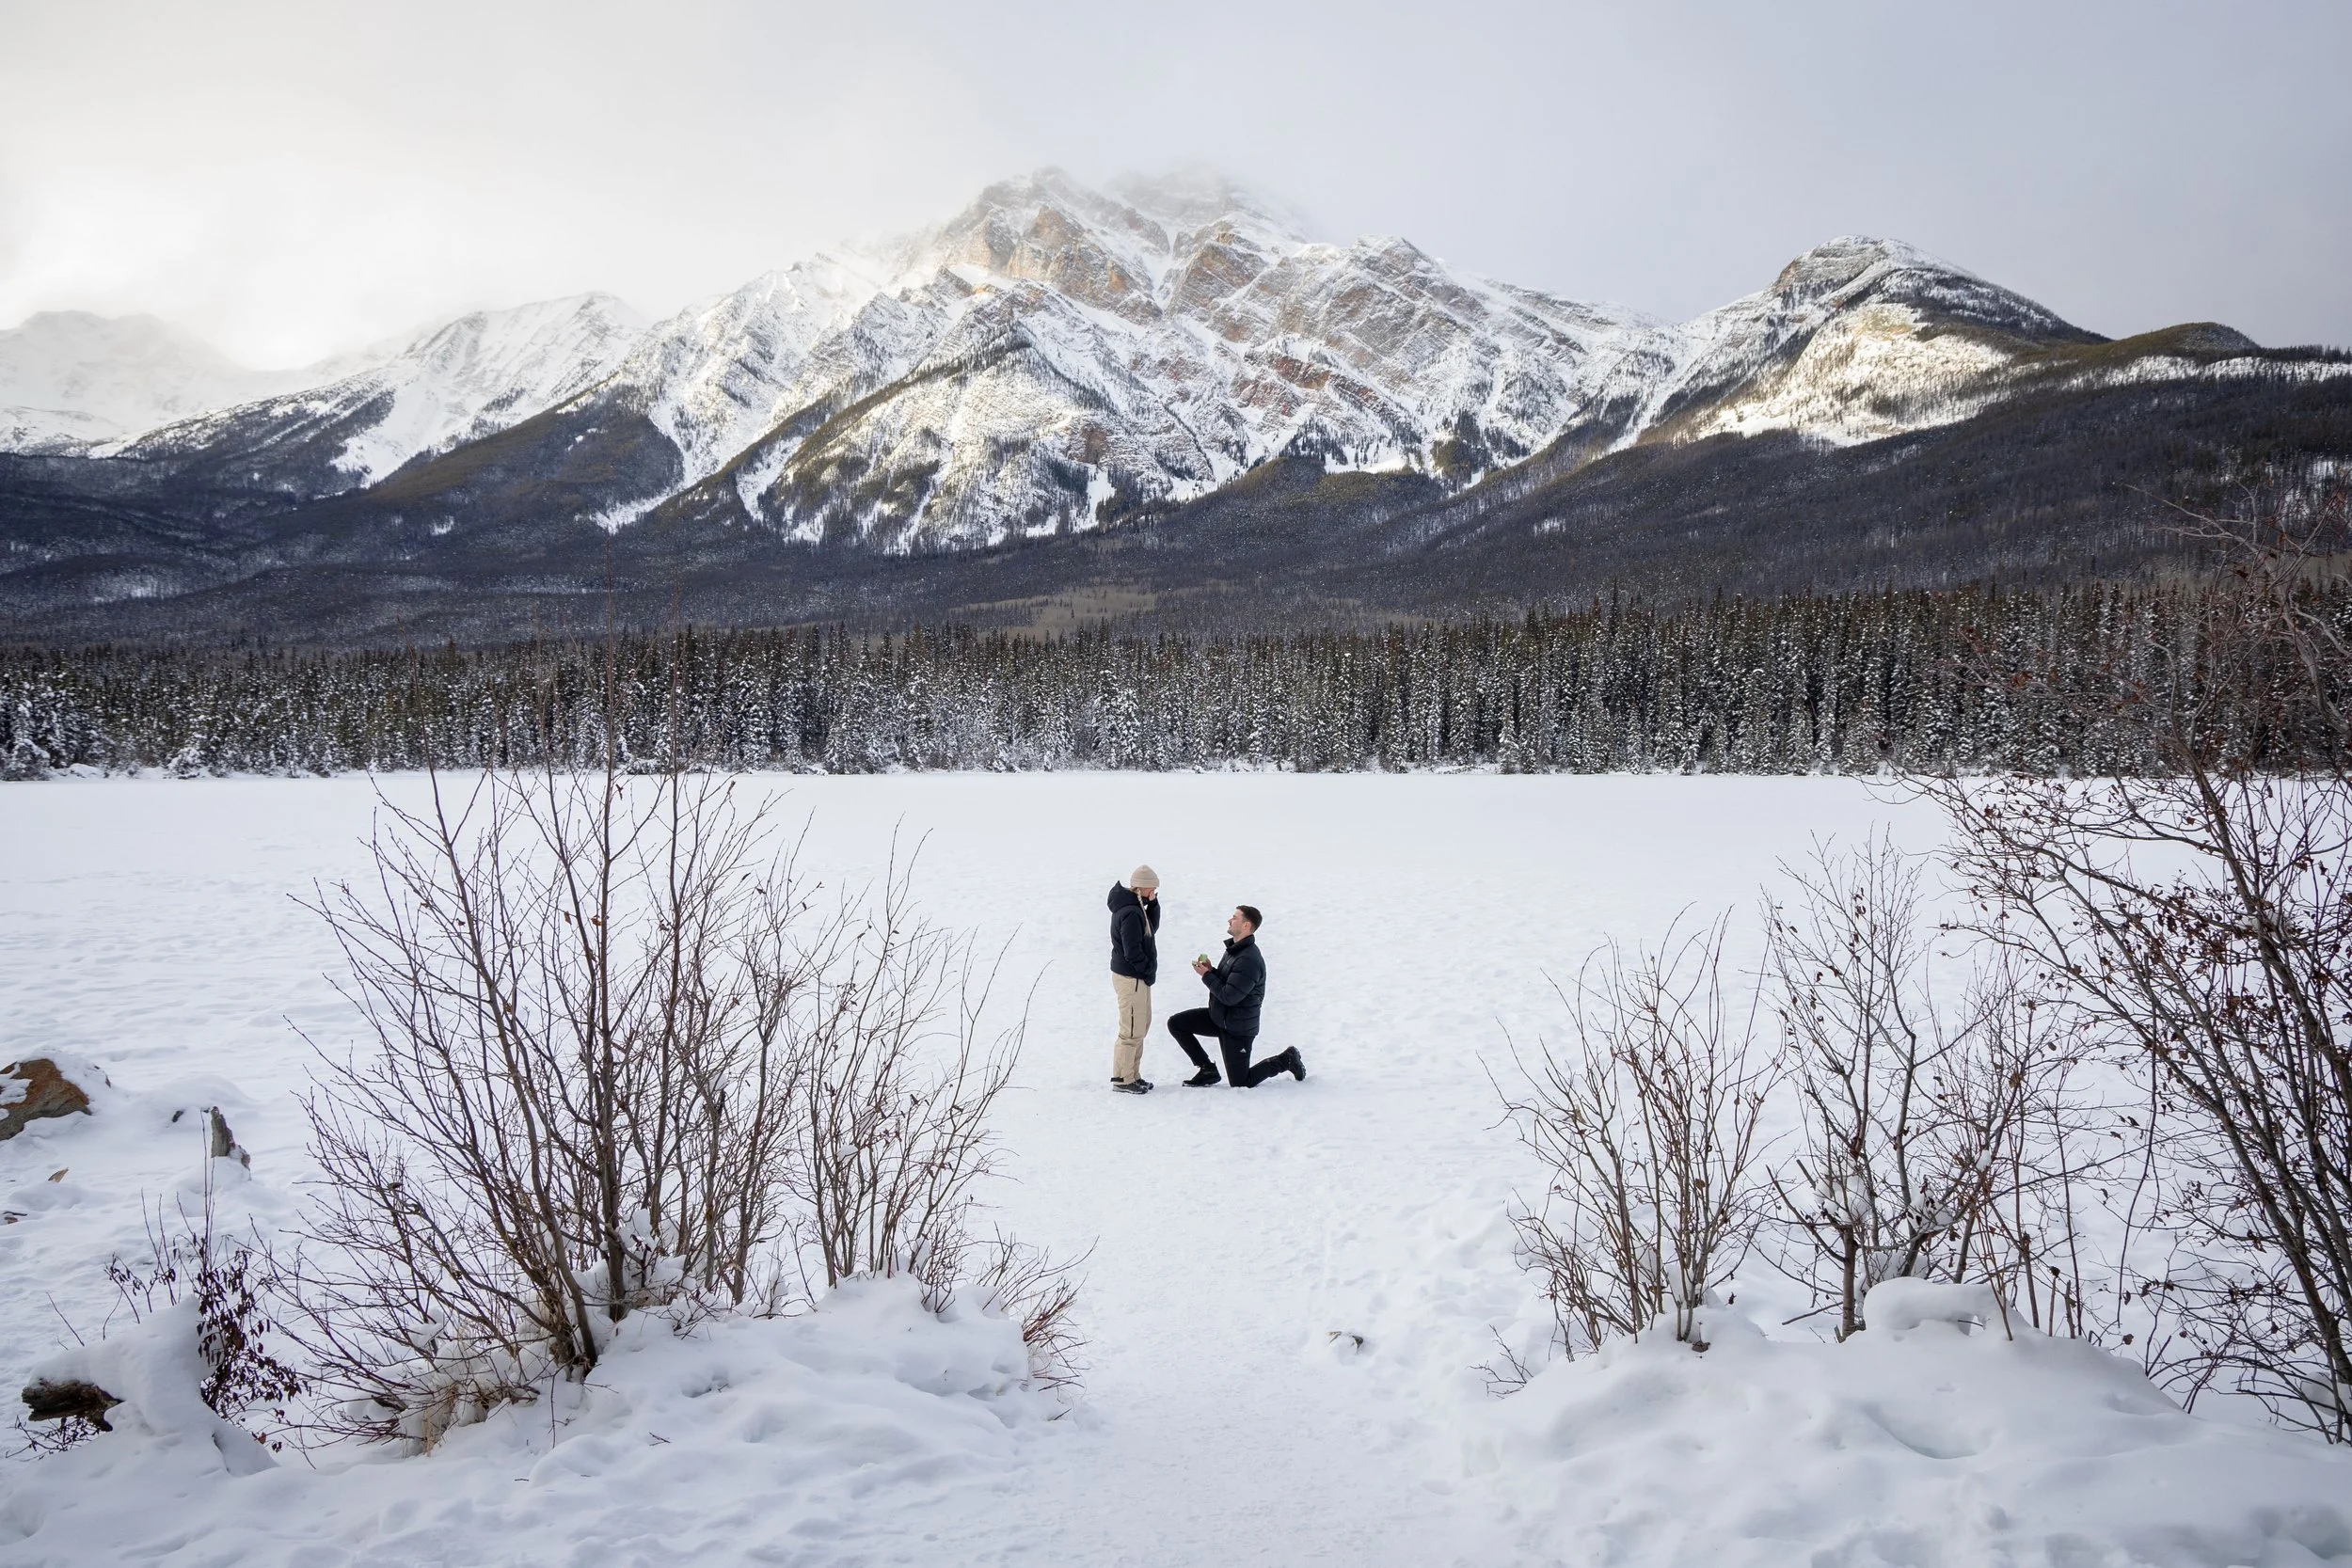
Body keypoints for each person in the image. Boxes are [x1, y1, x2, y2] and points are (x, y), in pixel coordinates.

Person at [1168, 904, 1304, 1088]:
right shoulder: (1235, 950)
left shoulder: (1249, 960)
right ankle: (1207, 1069)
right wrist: (1211, 971)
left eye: (1234, 917)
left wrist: (1206, 976)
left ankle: (1286, 1059)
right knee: (1177, 1024)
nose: (1230, 920)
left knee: (1241, 1082)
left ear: (1246, 926)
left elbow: (1229, 996)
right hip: (1220, 1018)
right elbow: (1228, 983)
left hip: (1238, 1028)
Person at [1107, 865, 1162, 1094]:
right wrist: (1147, 969)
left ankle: (1133, 1075)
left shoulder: (1136, 908)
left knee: (1140, 1027)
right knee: (1130, 1030)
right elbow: (1133, 951)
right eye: (1153, 886)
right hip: (1132, 978)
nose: (1156, 889)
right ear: (1142, 886)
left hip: (1138, 978)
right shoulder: (1130, 912)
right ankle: (1122, 1079)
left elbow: (1150, 930)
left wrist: (1154, 905)